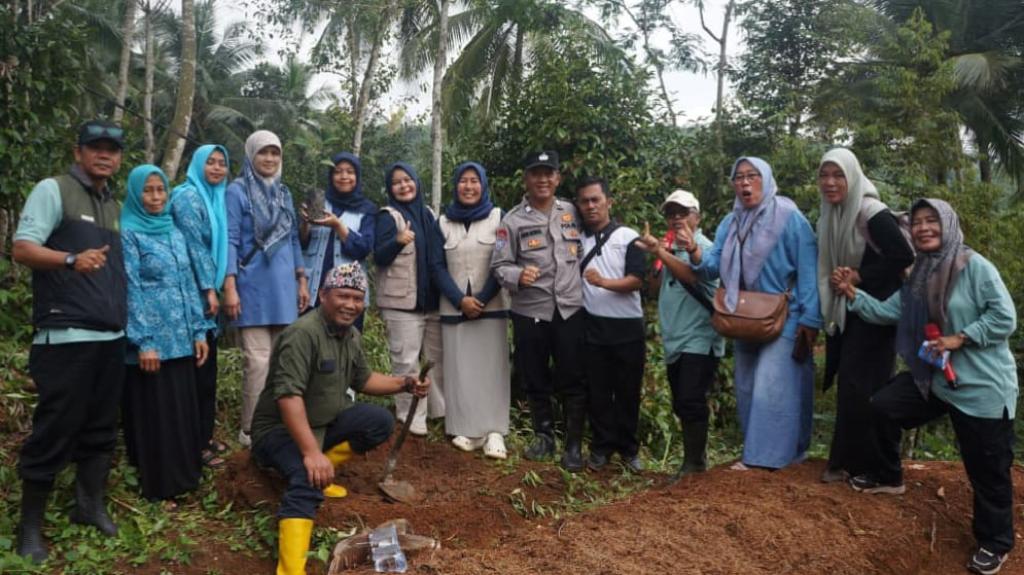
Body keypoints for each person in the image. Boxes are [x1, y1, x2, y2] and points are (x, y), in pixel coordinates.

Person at [837, 199, 1017, 575]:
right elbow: (889, 312)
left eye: (931, 220)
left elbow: (1004, 317)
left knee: (987, 469)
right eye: (916, 222)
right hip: (936, 379)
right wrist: (852, 293)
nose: (923, 228)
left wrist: (960, 338)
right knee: (883, 406)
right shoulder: (919, 273)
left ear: (948, 224)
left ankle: (995, 542)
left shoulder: (975, 267)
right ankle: (888, 476)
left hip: (981, 387)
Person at [250, 262, 430, 575]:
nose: (350, 304)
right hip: (279, 431)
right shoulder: (302, 335)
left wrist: (404, 383)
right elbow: (288, 397)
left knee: (379, 421)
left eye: (357, 298)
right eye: (343, 296)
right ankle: (290, 570)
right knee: (306, 479)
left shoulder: (350, 336)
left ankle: (324, 471)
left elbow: (364, 380)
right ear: (323, 295)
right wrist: (311, 454)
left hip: (323, 424)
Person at [11, 120, 127, 562]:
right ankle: (29, 528)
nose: (105, 155)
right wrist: (70, 258)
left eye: (112, 149)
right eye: (96, 147)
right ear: (78, 152)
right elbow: (23, 249)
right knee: (54, 429)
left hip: (110, 335)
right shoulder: (54, 190)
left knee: (101, 428)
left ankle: (88, 506)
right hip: (65, 336)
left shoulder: (112, 203)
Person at [688, 157, 821, 470]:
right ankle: (778, 452)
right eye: (739, 177)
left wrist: (811, 318)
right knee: (747, 386)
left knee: (772, 383)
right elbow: (712, 266)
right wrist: (693, 250)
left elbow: (809, 271)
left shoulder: (790, 218)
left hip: (785, 314)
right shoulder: (731, 222)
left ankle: (764, 460)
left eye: (753, 176)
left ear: (767, 179)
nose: (745, 183)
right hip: (744, 315)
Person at [815, 148, 914, 485]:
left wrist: (859, 275)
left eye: (838, 175)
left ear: (853, 178)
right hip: (849, 308)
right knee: (851, 385)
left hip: (877, 314)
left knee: (863, 386)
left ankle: (867, 465)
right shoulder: (830, 214)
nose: (830, 182)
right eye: (824, 175)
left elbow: (903, 255)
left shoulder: (871, 212)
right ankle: (850, 462)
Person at [491, 151, 587, 472]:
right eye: (536, 173)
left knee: (573, 377)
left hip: (570, 309)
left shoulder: (572, 212)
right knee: (534, 376)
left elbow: (584, 252)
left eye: (549, 173)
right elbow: (499, 265)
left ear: (558, 178)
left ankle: (573, 444)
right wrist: (518, 275)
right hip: (530, 311)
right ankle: (544, 436)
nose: (543, 180)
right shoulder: (511, 221)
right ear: (526, 179)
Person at [121, 164, 211, 506]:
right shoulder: (128, 233)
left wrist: (199, 330)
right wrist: (143, 341)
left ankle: (186, 479)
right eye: (148, 190)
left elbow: (187, 283)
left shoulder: (173, 231)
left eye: (161, 190)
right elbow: (129, 288)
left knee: (181, 412)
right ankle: (159, 487)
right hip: (152, 346)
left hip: (182, 341)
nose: (156, 197)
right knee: (156, 417)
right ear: (136, 194)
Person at [223, 130, 310, 448]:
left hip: (284, 290)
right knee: (257, 363)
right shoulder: (237, 192)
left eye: (275, 153)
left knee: (285, 363)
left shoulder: (284, 193)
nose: (270, 159)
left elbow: (293, 240)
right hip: (253, 289)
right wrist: (230, 285)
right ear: (251, 155)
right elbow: (231, 239)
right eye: (263, 152)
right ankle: (251, 429)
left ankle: (280, 424)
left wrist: (302, 279)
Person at [636, 190, 724, 478]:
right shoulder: (669, 247)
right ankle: (693, 461)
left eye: (683, 213)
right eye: (671, 213)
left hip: (700, 337)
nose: (676, 218)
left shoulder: (706, 248)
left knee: (690, 398)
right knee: (681, 401)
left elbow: (691, 275)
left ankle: (695, 465)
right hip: (675, 338)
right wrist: (659, 257)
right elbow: (653, 289)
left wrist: (660, 252)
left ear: (697, 217)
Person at [437, 162, 511, 458]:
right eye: (463, 181)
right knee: (460, 370)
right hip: (454, 309)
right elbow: (436, 266)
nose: (468, 187)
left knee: (492, 369)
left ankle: (495, 432)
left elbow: (503, 260)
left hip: (491, 306)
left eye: (474, 181)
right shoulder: (443, 222)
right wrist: (460, 300)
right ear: (455, 185)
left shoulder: (499, 217)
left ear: (483, 185)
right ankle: (466, 430)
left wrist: (480, 299)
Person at [574, 177, 645, 472]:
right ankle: (601, 448)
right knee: (598, 392)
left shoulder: (629, 237)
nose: (591, 206)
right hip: (593, 326)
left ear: (609, 202)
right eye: (585, 201)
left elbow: (637, 280)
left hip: (628, 328)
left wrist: (603, 282)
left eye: (596, 200)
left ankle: (629, 450)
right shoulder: (577, 240)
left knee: (628, 393)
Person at [373, 162, 447, 436]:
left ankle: (438, 412)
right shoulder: (388, 216)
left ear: (417, 181)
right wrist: (398, 241)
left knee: (437, 360)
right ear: (390, 188)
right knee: (406, 362)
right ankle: (410, 416)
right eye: (396, 182)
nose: (404, 186)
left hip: (432, 303)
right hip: (401, 304)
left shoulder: (428, 214)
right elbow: (379, 256)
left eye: (407, 180)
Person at [171, 144, 231, 467]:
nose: (217, 168)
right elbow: (194, 246)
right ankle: (193, 446)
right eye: (211, 162)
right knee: (195, 371)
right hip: (192, 295)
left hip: (209, 294)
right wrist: (209, 288)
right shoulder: (187, 197)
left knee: (208, 372)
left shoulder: (216, 198)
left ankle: (204, 436)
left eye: (222, 163)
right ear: (197, 165)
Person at [300, 151, 377, 330]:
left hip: (349, 294)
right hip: (313, 290)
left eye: (350, 172)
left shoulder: (367, 209)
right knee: (308, 339)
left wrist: (338, 225)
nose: (344, 176)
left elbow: (364, 248)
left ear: (357, 176)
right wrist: (305, 223)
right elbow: (301, 244)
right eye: (338, 171)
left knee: (345, 343)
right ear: (330, 175)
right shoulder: (318, 202)